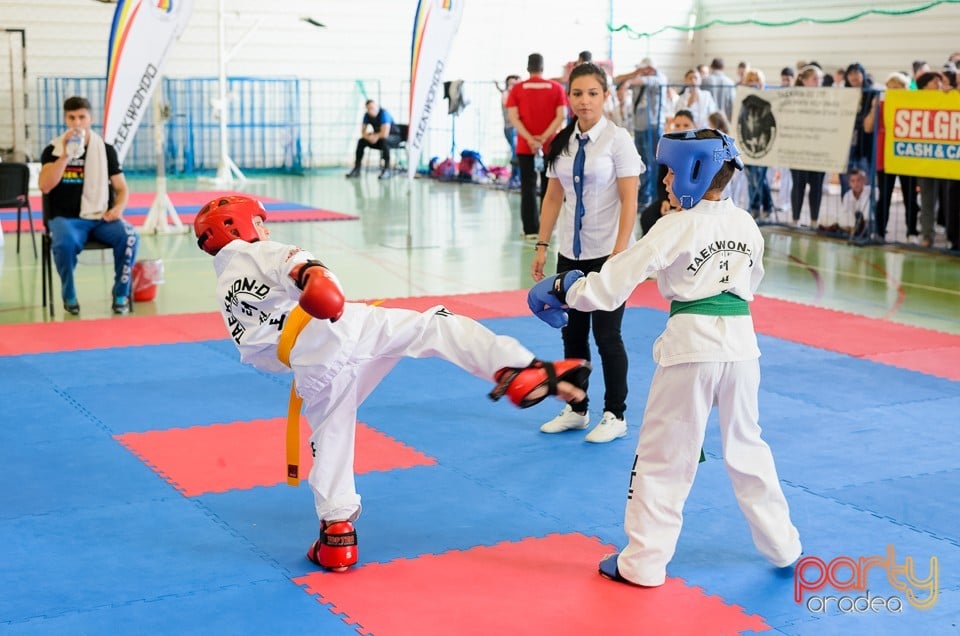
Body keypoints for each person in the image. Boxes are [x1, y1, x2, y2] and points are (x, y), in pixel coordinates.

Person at [193, 195, 590, 572]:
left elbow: (259, 355)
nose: (263, 230)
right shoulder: (260, 250)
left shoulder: (226, 293)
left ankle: (337, 534)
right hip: (342, 327)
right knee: (432, 325)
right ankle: (516, 370)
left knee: (331, 435)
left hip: (308, 364)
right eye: (258, 222)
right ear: (236, 227)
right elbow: (300, 267)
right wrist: (317, 281)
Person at [528, 128, 802, 587]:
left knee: (662, 454)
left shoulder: (676, 225)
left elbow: (615, 282)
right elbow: (752, 282)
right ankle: (783, 545)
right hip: (741, 346)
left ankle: (642, 563)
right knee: (748, 446)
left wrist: (567, 288)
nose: (669, 180)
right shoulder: (745, 224)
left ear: (696, 171)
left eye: (674, 170)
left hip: (691, 347)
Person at [531, 63, 644, 443]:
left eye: (592, 93)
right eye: (577, 93)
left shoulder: (619, 141)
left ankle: (616, 413)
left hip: (607, 254)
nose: (584, 101)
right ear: (569, 97)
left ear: (605, 95)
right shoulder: (561, 142)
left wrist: (619, 251)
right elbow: (552, 196)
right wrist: (542, 244)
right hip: (570, 255)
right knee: (573, 336)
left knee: (608, 336)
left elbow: (631, 199)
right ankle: (577, 408)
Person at [38, 95, 138, 315]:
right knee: (64, 243)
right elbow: (45, 186)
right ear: (65, 119)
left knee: (130, 236)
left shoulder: (105, 150)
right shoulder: (52, 150)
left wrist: (118, 208)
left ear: (90, 119)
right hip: (66, 219)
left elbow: (121, 188)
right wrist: (65, 156)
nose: (76, 123)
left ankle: (121, 293)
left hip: (100, 217)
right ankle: (69, 293)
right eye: (71, 117)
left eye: (81, 117)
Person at [507, 53, 569, 240]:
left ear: (528, 67)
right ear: (543, 68)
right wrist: (544, 138)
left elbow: (513, 117)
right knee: (550, 187)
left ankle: (531, 230)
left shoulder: (517, 89)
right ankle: (547, 228)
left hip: (526, 147)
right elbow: (561, 116)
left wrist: (530, 139)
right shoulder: (556, 88)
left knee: (528, 187)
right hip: (550, 146)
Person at [614, 58, 668, 208]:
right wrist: (632, 74)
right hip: (639, 127)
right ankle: (644, 197)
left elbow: (642, 82)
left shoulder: (660, 78)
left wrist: (629, 82)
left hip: (654, 127)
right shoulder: (636, 77)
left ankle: (657, 197)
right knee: (642, 163)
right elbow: (616, 79)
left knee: (655, 162)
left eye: (644, 69)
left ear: (651, 68)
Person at [639, 109, 696, 236]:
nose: (681, 128)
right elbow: (661, 181)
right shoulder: (668, 150)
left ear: (694, 126)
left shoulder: (699, 152)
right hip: (671, 198)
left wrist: (686, 203)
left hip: (693, 201)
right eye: (677, 125)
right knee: (647, 217)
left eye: (686, 125)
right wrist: (665, 200)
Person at [789, 65, 827, 226]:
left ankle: (814, 221)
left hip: (818, 150)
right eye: (814, 79)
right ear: (804, 81)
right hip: (798, 149)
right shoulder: (793, 98)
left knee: (816, 187)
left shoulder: (826, 99)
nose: (818, 82)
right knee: (798, 185)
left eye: (820, 79)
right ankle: (795, 219)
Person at [345, 100, 399, 180]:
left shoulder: (384, 114)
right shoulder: (366, 116)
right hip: (378, 138)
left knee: (385, 141)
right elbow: (363, 132)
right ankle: (357, 169)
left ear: (377, 107)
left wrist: (375, 136)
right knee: (361, 141)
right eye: (368, 108)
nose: (370, 110)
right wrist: (369, 137)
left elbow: (385, 134)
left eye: (372, 108)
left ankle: (387, 170)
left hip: (394, 138)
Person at [820, 168, 869, 237]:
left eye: (858, 180)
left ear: (864, 181)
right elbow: (846, 216)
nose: (856, 184)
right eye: (853, 181)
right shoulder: (847, 196)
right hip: (853, 225)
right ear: (849, 183)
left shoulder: (871, 192)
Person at [495, 74, 522, 188]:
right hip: (510, 128)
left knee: (518, 153)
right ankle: (514, 177)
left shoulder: (514, 94)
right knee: (516, 152)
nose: (513, 86)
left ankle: (517, 177)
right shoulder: (507, 94)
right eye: (511, 84)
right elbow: (508, 103)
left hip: (518, 128)